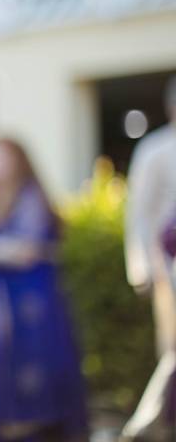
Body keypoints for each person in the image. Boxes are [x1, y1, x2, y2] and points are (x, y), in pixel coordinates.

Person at [0, 137, 88, 442]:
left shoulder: (29, 198)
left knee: (33, 378)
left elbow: (26, 250)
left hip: (28, 304)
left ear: (15, 160)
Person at [123, 75, 176, 440]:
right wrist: (140, 265)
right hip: (169, 268)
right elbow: (140, 212)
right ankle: (148, 425)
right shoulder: (156, 149)